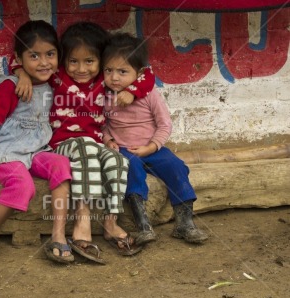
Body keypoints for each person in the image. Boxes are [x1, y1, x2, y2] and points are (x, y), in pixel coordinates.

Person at [12, 22, 155, 262]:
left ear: (100, 61)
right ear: (64, 60)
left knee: (117, 160)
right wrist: (21, 74)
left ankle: (110, 222)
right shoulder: (57, 77)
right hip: (63, 143)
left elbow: (146, 73)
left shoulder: (104, 78)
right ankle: (83, 220)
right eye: (73, 61)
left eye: (89, 61)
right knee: (86, 148)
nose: (81, 69)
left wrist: (133, 92)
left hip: (95, 142)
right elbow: (16, 59)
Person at [0, 20, 74, 265]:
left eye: (50, 54)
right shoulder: (9, 87)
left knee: (62, 165)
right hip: (7, 152)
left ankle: (58, 235)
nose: (44, 62)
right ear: (19, 58)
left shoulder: (53, 82)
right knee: (23, 186)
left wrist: (23, 70)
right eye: (34, 56)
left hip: (36, 150)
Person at [102, 32, 209, 244]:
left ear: (139, 73)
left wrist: (152, 147)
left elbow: (164, 124)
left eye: (123, 71)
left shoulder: (149, 94)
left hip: (153, 148)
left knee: (176, 166)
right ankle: (144, 226)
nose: (114, 77)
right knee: (130, 168)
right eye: (109, 70)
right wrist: (108, 140)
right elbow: (103, 124)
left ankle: (185, 223)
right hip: (125, 149)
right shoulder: (104, 96)